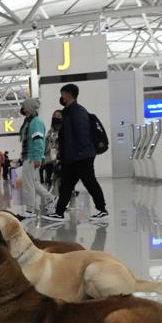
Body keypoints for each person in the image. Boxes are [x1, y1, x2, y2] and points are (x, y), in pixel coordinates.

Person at [43, 84, 108, 222]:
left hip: (81, 156)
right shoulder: (67, 112)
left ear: (69, 95)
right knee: (66, 185)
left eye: (63, 94)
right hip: (71, 157)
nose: (61, 97)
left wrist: (78, 155)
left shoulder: (78, 112)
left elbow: (82, 135)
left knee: (90, 182)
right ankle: (59, 212)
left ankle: (102, 209)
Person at [15, 98, 57, 216]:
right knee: (33, 182)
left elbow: (38, 141)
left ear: (29, 107)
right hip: (29, 156)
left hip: (32, 157)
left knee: (28, 183)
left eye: (24, 106)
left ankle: (30, 209)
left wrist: (38, 158)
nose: (22, 108)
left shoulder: (35, 122)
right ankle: (51, 199)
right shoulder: (30, 121)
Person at [41, 110, 63, 187]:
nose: (56, 117)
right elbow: (46, 144)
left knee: (62, 179)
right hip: (49, 159)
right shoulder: (50, 131)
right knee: (49, 180)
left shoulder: (64, 129)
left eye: (58, 115)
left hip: (61, 158)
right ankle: (51, 197)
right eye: (54, 115)